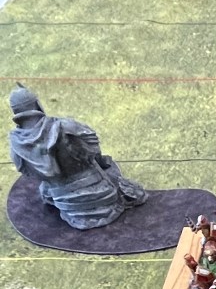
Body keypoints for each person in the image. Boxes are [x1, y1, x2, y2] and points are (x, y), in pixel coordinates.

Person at [9, 84, 146, 229]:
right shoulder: (67, 127)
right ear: (37, 104)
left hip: (64, 204)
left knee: (46, 189)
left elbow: (28, 173)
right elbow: (95, 150)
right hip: (103, 197)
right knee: (128, 186)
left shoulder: (16, 144)